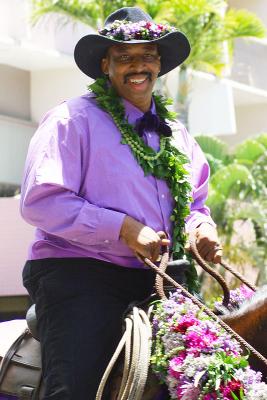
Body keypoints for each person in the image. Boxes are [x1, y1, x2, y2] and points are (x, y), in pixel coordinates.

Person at [20, 6, 222, 400]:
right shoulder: (71, 120)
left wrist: (201, 229)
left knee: (216, 369)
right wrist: (124, 229)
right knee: (75, 388)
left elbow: (196, 202)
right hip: (81, 273)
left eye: (147, 55)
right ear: (105, 65)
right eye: (125, 57)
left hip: (163, 279)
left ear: (159, 64)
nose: (138, 65)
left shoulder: (178, 134)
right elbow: (40, 202)